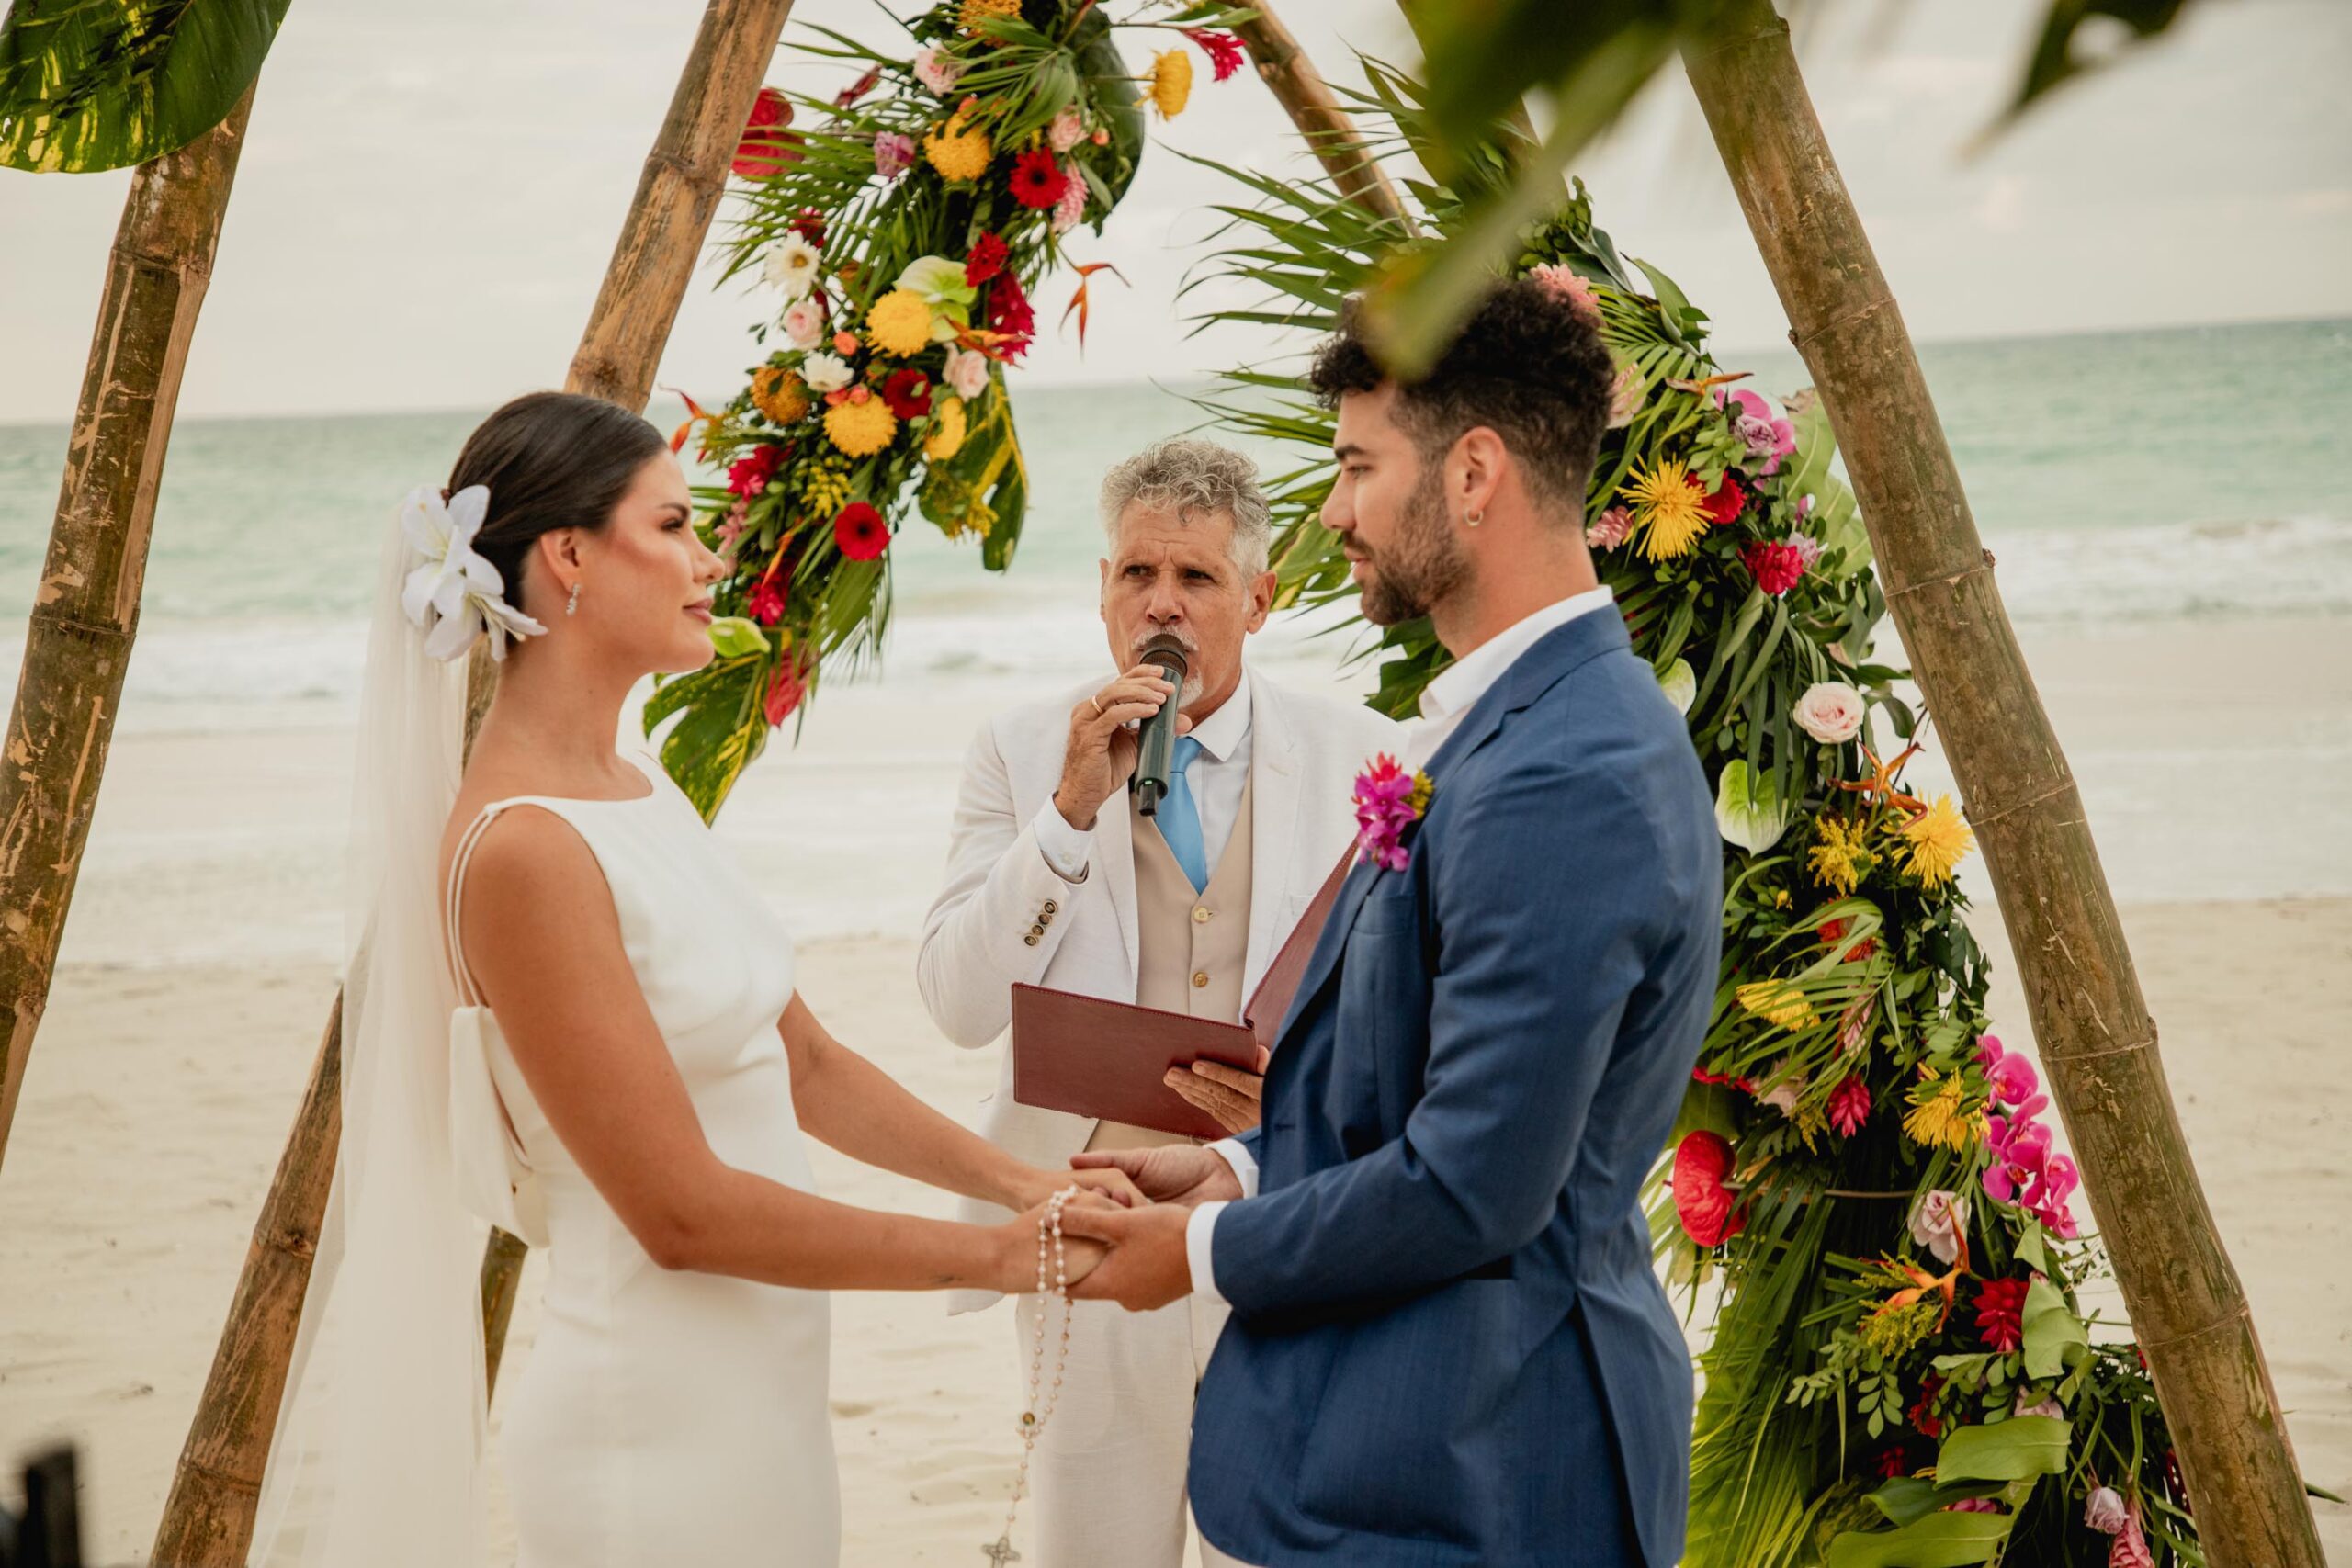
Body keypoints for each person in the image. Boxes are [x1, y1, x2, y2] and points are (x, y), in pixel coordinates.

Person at [250, 391, 1134, 1568]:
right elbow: (678, 1213)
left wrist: (1025, 1186)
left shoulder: (637, 785)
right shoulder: (524, 851)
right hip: (651, 1433)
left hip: (760, 1398)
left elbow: (805, 1063)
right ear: (568, 557)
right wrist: (1002, 1259)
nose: (711, 554)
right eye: (672, 525)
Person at [1063, 281, 1724, 1568]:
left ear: (1474, 473)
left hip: (1490, 1459)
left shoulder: (1565, 766)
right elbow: (1422, 1085)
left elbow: (1477, 1178)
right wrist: (1239, 1169)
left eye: (1359, 465)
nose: (1332, 508)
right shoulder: (1507, 720)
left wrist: (1193, 1246)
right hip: (1413, 1442)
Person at [917, 437, 1398, 1568]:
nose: (1161, 606)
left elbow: (1403, 1012)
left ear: (1261, 600)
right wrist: (1068, 816)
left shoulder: (1365, 757)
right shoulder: (1020, 750)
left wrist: (1305, 1087)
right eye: (1137, 575)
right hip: (1082, 1221)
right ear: (1100, 592)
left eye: (1196, 579)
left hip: (1277, 1218)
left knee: (1276, 1544)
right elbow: (955, 1002)